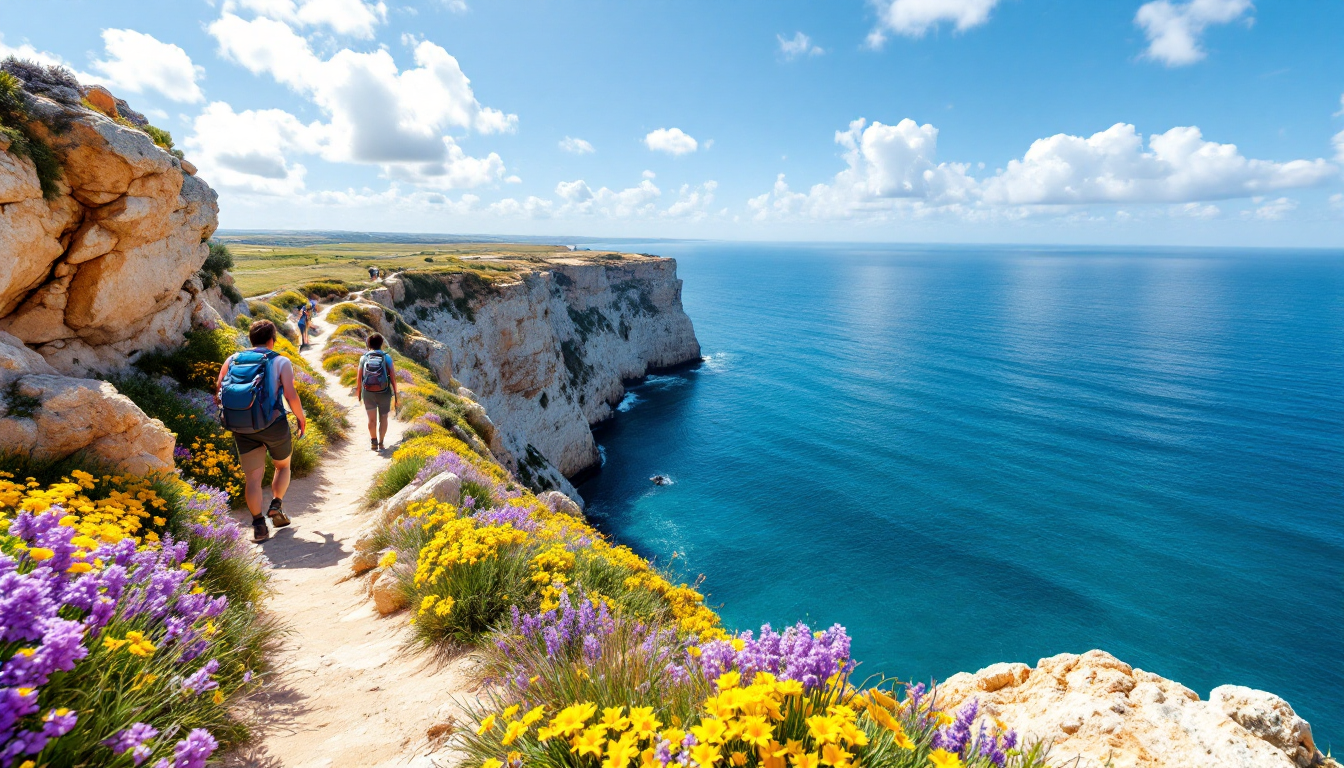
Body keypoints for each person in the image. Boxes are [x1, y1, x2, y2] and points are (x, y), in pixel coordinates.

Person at [215, 319, 307, 543]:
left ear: (251, 339)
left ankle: (259, 527)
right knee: (282, 465)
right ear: (271, 340)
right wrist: (301, 419)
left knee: (253, 480)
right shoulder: (280, 361)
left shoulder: (232, 359)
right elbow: (291, 395)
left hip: (242, 426)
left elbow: (219, 389)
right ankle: (276, 505)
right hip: (273, 425)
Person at [356, 333, 399, 451]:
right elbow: (393, 379)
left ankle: (373, 441)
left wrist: (359, 394)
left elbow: (359, 379)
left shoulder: (363, 358)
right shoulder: (387, 358)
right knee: (384, 417)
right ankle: (381, 443)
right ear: (381, 344)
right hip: (384, 392)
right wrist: (396, 396)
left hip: (368, 392)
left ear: (369, 344)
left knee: (371, 419)